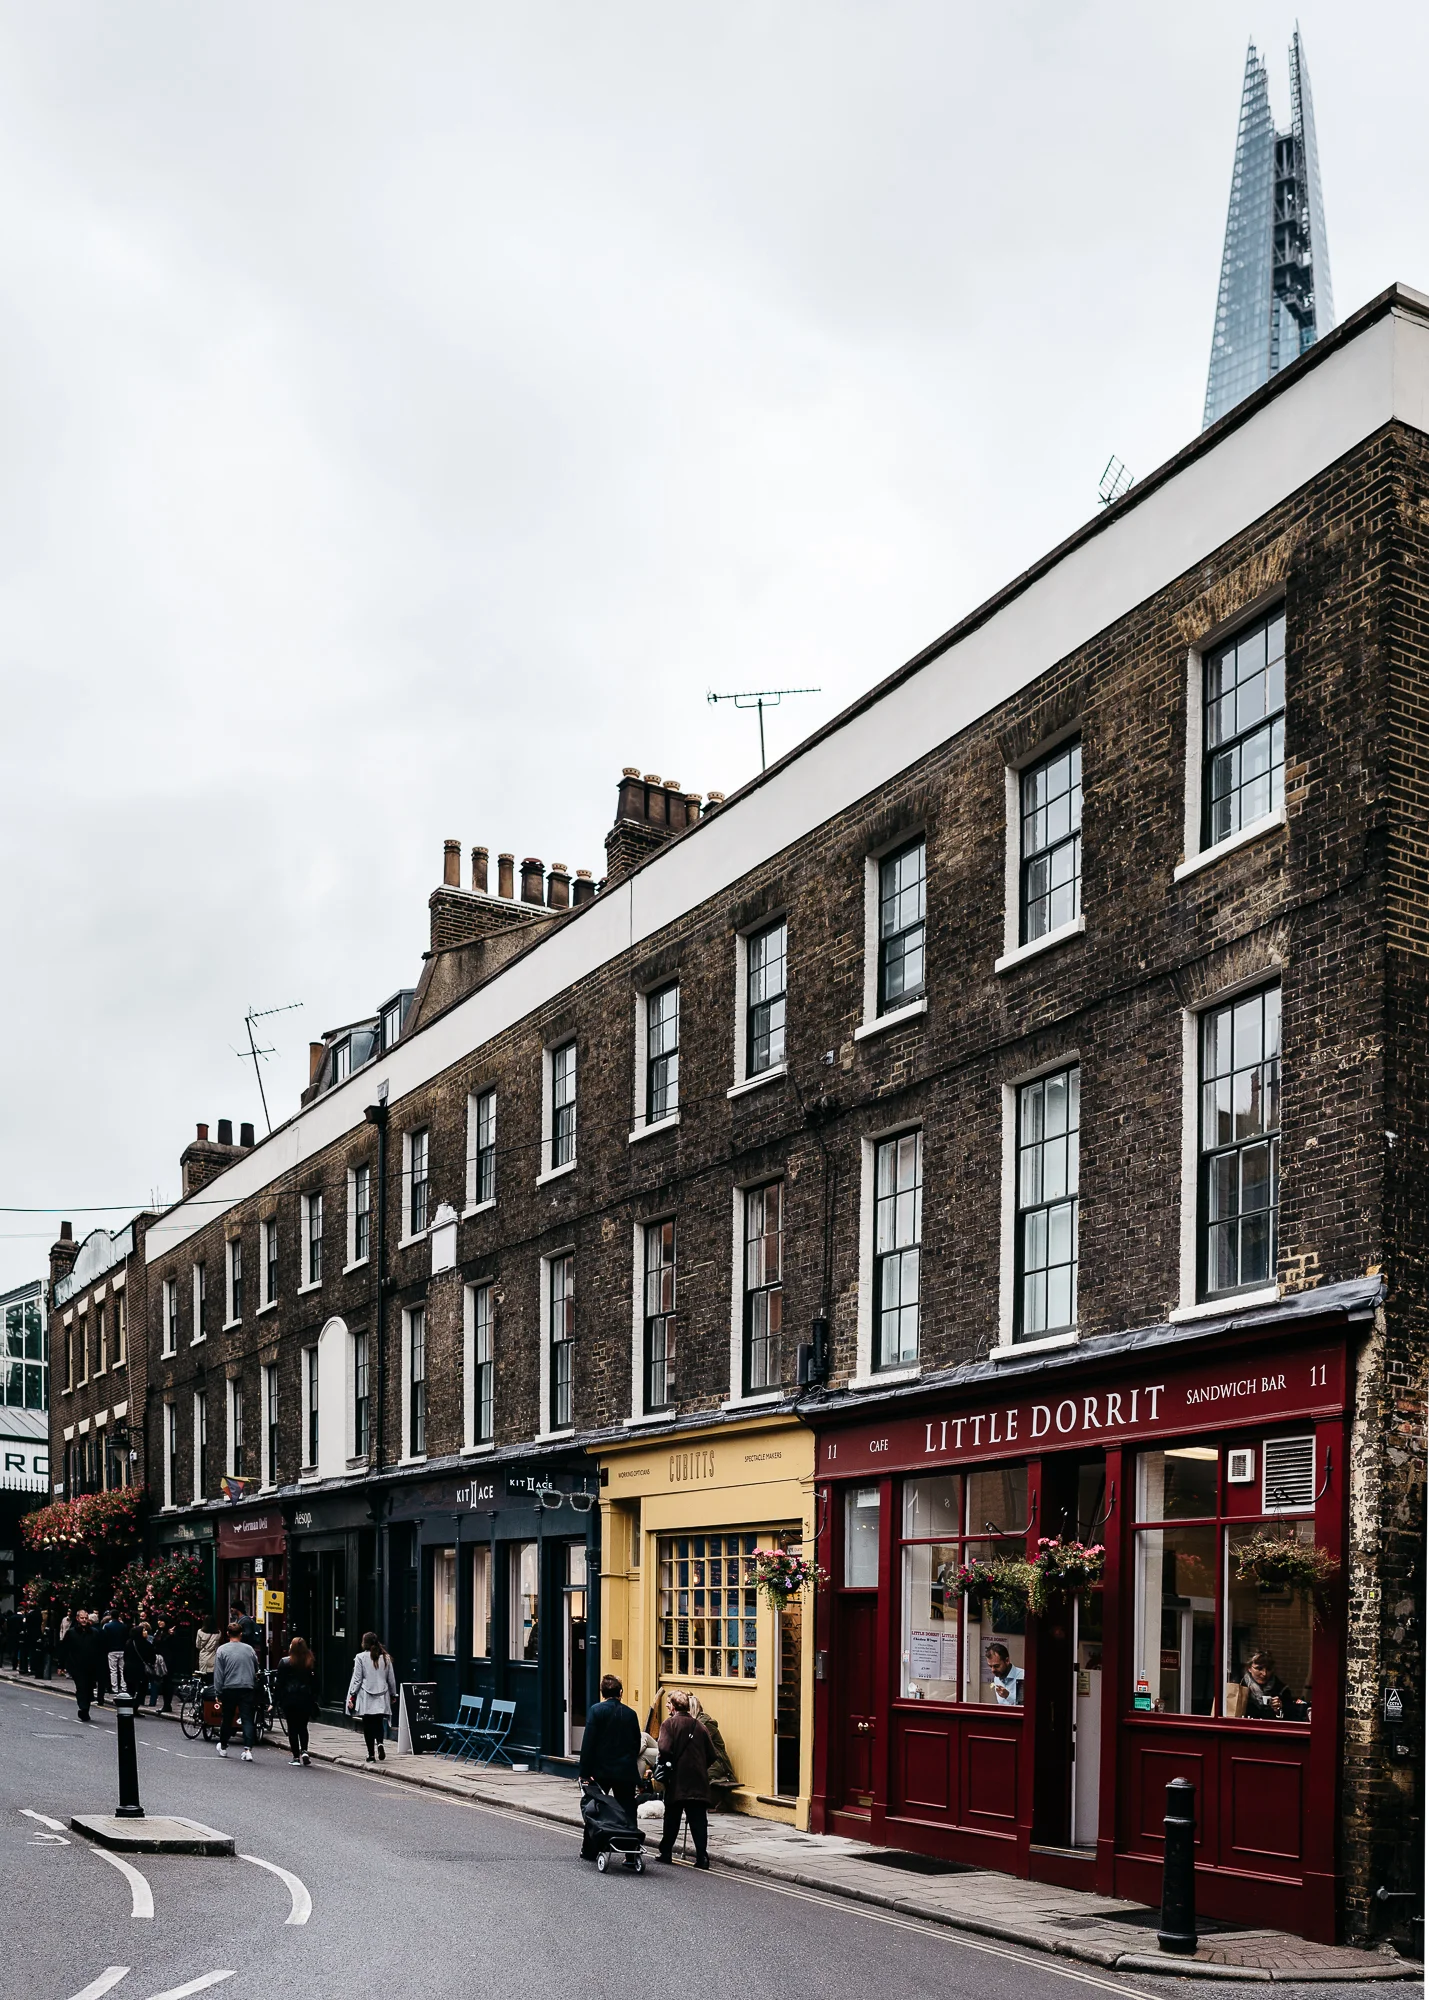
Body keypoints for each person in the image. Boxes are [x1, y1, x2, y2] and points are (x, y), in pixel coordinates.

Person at [579, 1673, 641, 1859]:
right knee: (628, 1810)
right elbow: (636, 1744)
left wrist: (584, 1772)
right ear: (620, 1692)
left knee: (595, 1809)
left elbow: (588, 1743)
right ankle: (631, 1853)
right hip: (624, 1770)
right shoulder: (631, 1714)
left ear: (602, 1692)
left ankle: (590, 1850)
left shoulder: (596, 1711)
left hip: (600, 1771)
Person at [656, 1690, 713, 1869]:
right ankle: (702, 1857)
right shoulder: (700, 1726)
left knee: (672, 1817)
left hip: (677, 1780)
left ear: (673, 1707)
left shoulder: (669, 1724)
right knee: (698, 1820)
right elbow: (712, 1754)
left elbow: (664, 1749)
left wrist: (668, 1764)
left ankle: (666, 1853)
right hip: (698, 1780)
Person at [213, 1621, 260, 1761]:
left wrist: (217, 1692)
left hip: (229, 1687)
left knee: (227, 1718)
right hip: (247, 1687)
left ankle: (223, 1746)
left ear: (227, 1634)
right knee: (247, 1719)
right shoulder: (250, 1649)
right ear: (241, 1634)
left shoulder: (222, 1650)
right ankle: (248, 1749)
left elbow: (218, 1674)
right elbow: (256, 1668)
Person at [347, 1632, 397, 1763]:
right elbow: (391, 1679)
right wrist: (393, 1694)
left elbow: (357, 1680)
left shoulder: (360, 1657)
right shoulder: (386, 1658)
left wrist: (352, 1696)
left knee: (368, 1726)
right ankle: (380, 1743)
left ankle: (371, 1755)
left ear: (364, 1643)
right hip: (382, 1694)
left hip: (366, 1696)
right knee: (379, 1722)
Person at [685, 1695, 739, 1808]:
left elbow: (695, 1746)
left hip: (717, 1763)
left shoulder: (706, 1725)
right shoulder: (692, 1724)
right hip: (705, 1761)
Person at [276, 1636, 318, 1766]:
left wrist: (274, 1701)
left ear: (291, 1648)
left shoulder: (284, 1662)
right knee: (303, 1727)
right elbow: (315, 1683)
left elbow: (280, 1684)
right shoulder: (310, 1662)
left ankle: (295, 1757)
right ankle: (304, 1751)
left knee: (292, 1728)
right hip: (305, 1699)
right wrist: (314, 1698)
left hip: (289, 1700)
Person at [60, 1609, 105, 1723]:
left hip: (92, 1666)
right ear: (77, 1619)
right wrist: (61, 1665)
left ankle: (85, 1710)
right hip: (76, 1666)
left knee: (89, 1688)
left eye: (86, 1618)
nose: (84, 1620)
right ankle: (83, 1708)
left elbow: (101, 1649)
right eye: (82, 1618)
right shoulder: (71, 1633)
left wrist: (101, 1665)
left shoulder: (95, 1632)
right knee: (81, 1687)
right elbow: (64, 1649)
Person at [1241, 1651, 1309, 1721]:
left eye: (1269, 1669)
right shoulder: (1240, 1687)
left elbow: (1291, 1719)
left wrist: (1280, 1710)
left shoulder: (1282, 1690)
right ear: (1249, 1668)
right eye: (1259, 1668)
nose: (1264, 1673)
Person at [100, 1608, 130, 1700]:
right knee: (122, 1670)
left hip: (111, 1650)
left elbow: (104, 1638)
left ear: (111, 1616)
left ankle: (115, 1688)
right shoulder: (124, 1626)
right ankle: (124, 1687)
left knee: (113, 1670)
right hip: (122, 1650)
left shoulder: (107, 1626)